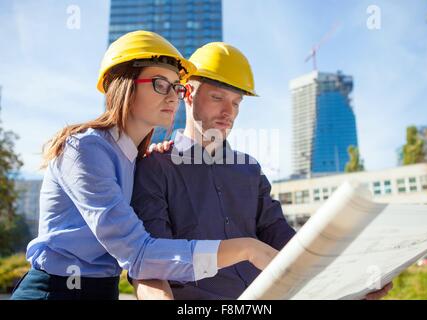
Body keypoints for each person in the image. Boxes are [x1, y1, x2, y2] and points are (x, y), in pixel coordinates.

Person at [10, 32, 277, 300]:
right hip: (54, 291)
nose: (173, 97)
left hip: (103, 291)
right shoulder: (84, 150)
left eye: (176, 87)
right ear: (125, 84)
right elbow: (138, 253)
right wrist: (247, 249)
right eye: (161, 84)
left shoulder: (139, 160)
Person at [131, 42, 393, 300]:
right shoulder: (155, 167)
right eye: (217, 97)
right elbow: (151, 265)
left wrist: (348, 282)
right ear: (187, 94)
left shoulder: (249, 170)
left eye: (236, 103)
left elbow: (282, 239)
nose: (228, 112)